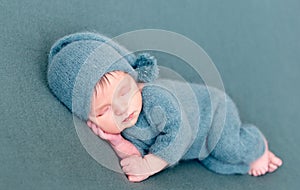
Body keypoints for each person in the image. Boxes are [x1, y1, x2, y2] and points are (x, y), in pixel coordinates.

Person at [47, 32, 282, 182]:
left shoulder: (155, 97)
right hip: (197, 145)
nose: (121, 109)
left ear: (135, 78)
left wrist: (149, 165)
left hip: (212, 114)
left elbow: (180, 133)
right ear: (89, 119)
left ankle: (258, 147)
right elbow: (139, 150)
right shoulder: (125, 123)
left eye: (124, 92)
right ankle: (248, 157)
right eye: (103, 111)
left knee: (229, 147)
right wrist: (118, 143)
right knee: (214, 161)